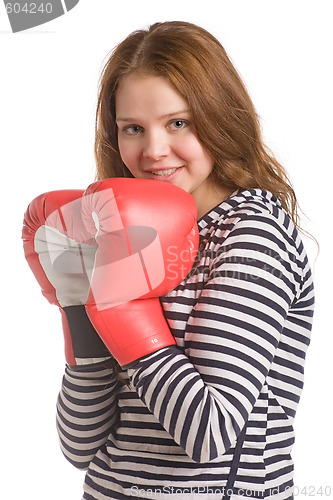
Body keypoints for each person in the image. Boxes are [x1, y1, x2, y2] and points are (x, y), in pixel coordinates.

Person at [55, 21, 315, 499]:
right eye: (133, 128)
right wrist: (77, 306)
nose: (153, 151)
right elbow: (79, 444)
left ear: (218, 117)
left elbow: (210, 433)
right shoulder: (122, 229)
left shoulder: (251, 233)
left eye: (179, 123)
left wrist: (122, 309)